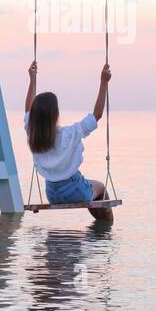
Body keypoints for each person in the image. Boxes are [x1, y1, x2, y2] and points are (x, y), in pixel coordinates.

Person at [23, 60, 114, 223]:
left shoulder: (33, 133)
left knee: (89, 193)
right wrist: (103, 82)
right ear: (55, 115)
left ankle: (98, 229)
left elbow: (28, 110)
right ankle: (104, 233)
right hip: (75, 189)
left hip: (52, 194)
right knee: (100, 188)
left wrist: (32, 80)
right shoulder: (69, 134)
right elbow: (97, 115)